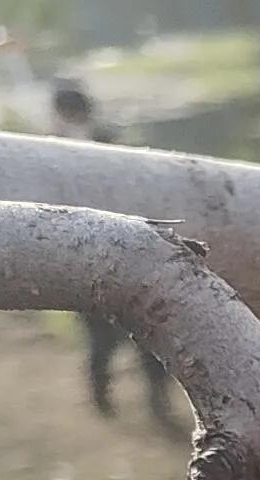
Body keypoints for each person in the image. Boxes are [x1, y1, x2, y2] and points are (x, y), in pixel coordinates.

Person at [49, 81, 178, 433]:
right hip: (79, 262)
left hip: (126, 254)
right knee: (101, 340)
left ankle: (157, 401)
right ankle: (102, 397)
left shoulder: (108, 143)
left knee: (149, 335)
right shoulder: (46, 151)